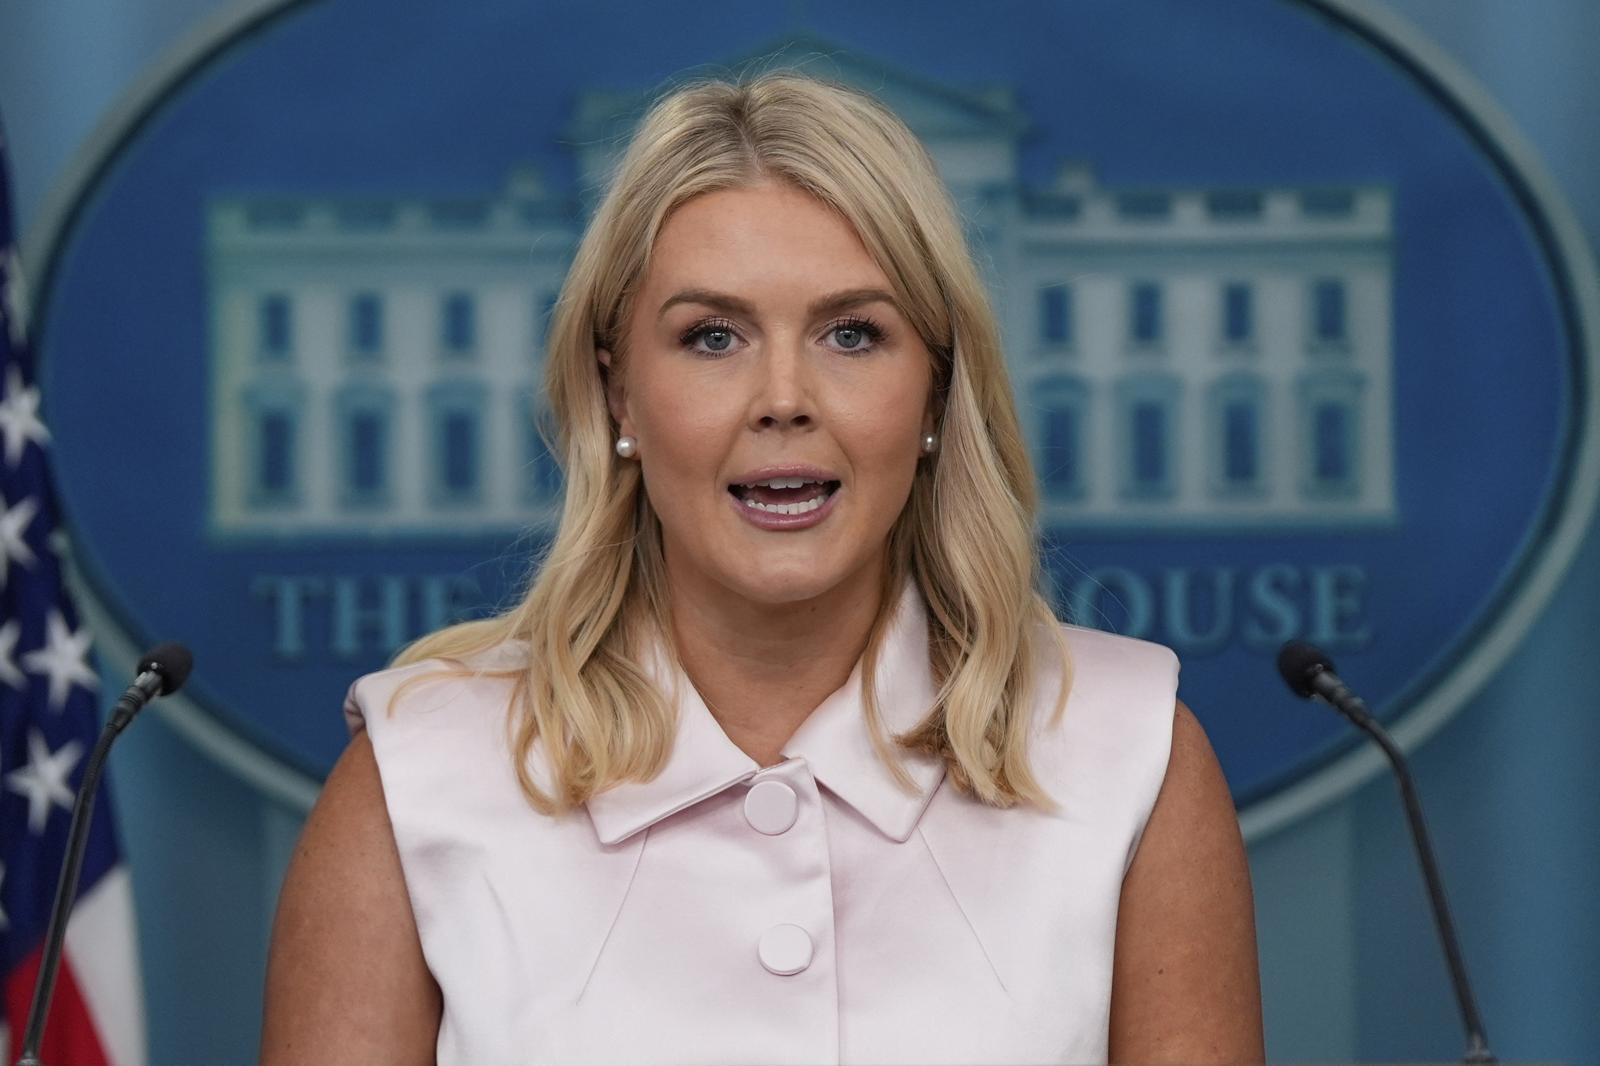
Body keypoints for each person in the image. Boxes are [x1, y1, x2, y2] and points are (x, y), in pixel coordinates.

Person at [260, 70, 1263, 1064]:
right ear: (618, 396)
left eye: (852, 334)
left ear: (934, 392)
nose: (783, 397)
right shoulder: (415, 778)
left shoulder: (1131, 753)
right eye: (712, 337)